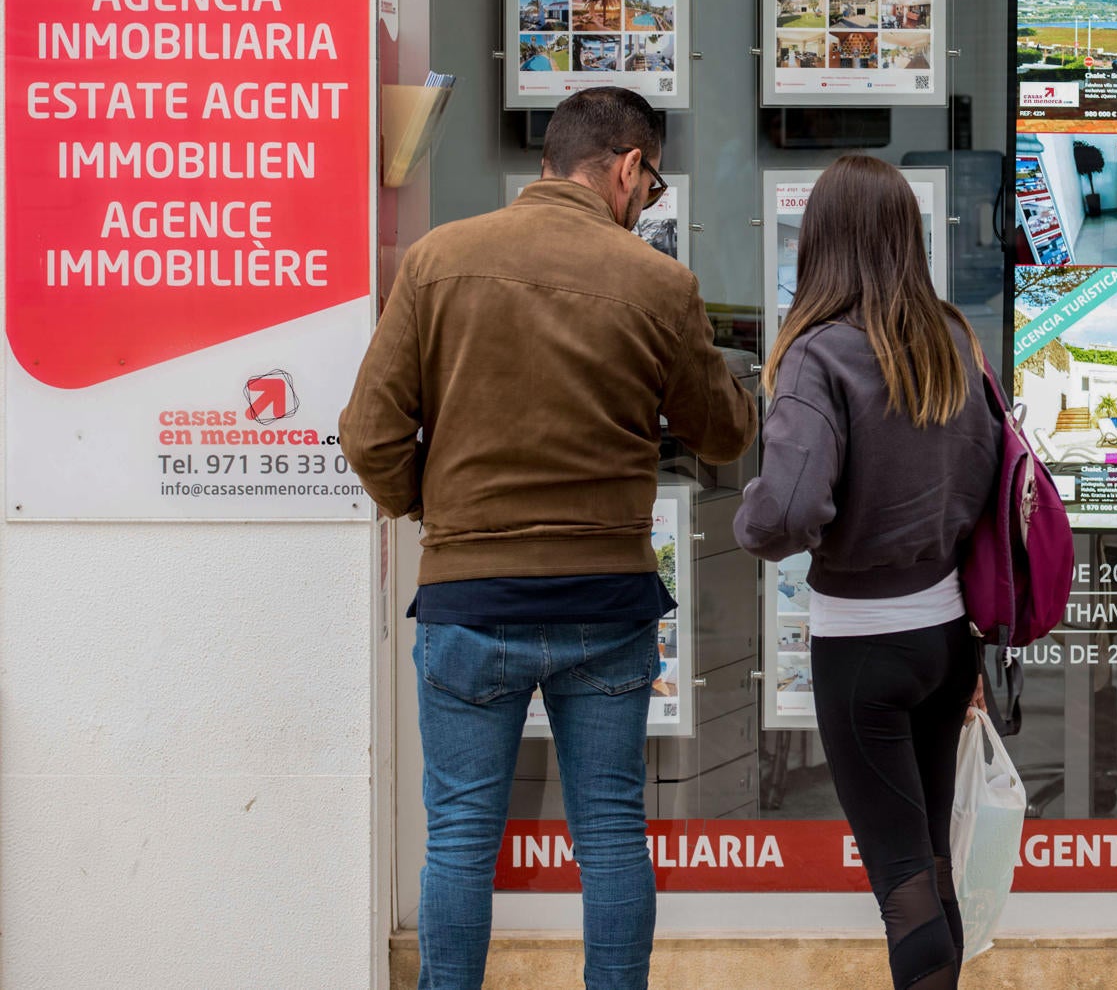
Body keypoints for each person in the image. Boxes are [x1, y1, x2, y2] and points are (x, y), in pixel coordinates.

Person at [340, 86, 757, 990]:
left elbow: (368, 434)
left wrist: (442, 519)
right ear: (624, 168)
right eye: (650, 186)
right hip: (605, 602)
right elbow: (723, 434)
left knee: (457, 835)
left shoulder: (438, 259)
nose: (647, 204)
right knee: (609, 827)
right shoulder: (658, 283)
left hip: (468, 599)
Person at [734, 154, 999, 990]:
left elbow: (781, 514)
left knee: (902, 881)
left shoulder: (820, 355)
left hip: (863, 650)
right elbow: (988, 476)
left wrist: (747, 514)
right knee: (930, 863)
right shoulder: (955, 339)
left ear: (820, 241)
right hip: (946, 640)